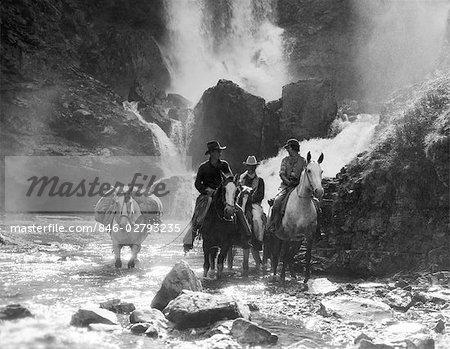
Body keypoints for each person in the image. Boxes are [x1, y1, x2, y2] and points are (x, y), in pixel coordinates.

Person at [183, 140, 233, 252]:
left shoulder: (224, 165)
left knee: (236, 209)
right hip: (206, 196)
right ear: (212, 153)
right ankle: (190, 238)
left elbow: (230, 178)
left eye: (220, 151)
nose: (220, 153)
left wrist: (226, 186)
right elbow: (197, 184)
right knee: (198, 215)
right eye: (218, 151)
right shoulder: (203, 167)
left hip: (222, 194)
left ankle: (245, 234)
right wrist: (206, 190)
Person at [266, 139, 306, 234]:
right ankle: (274, 224)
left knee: (313, 202)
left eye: (289, 148)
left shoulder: (303, 161)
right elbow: (282, 173)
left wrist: (298, 183)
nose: (287, 150)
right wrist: (288, 182)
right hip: (285, 186)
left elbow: (304, 175)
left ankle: (314, 228)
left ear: (293, 148)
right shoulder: (285, 160)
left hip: (298, 187)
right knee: (277, 202)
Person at [238, 156, 265, 250]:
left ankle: (258, 240)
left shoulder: (260, 181)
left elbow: (261, 195)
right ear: (247, 167)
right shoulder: (241, 180)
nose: (251, 168)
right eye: (249, 166)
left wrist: (250, 199)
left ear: (255, 167)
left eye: (253, 166)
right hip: (242, 203)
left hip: (254, 204)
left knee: (257, 219)